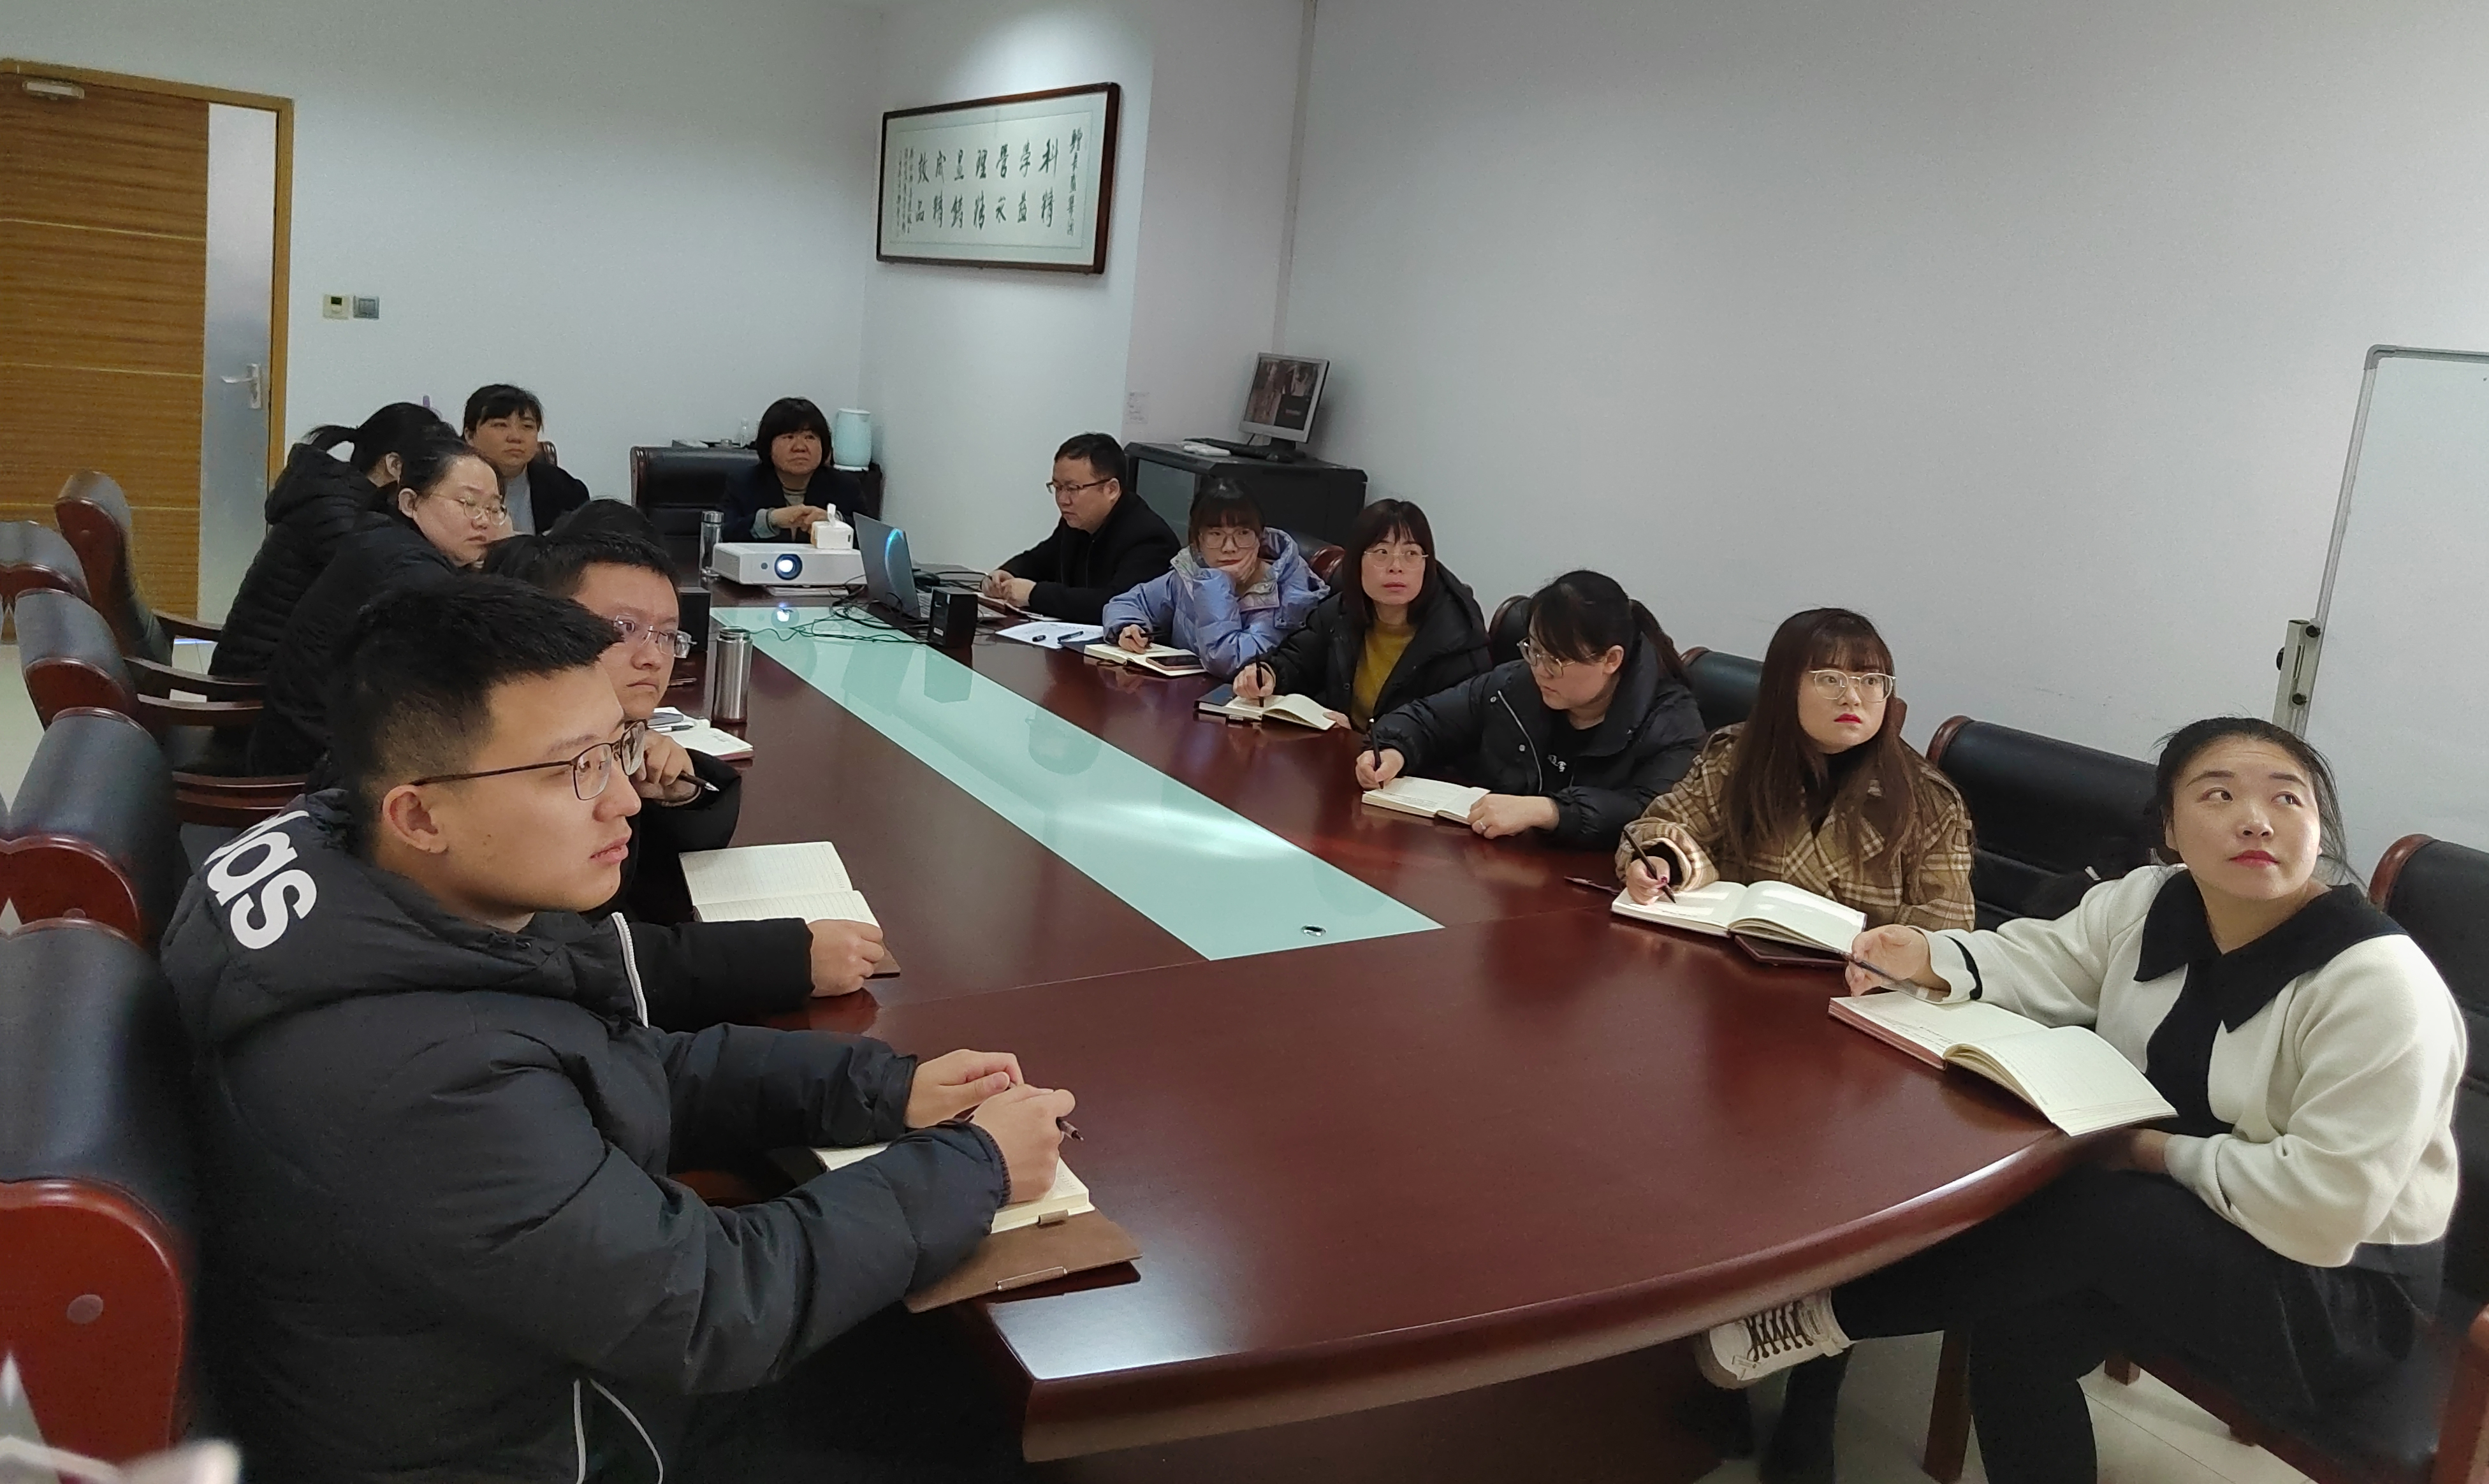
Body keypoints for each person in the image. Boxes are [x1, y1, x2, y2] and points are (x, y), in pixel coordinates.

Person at [166, 578, 1074, 1483]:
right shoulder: (422, 1080)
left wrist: (882, 1088)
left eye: (616, 750)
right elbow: (713, 1309)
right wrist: (979, 1166)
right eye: (574, 770)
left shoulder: (375, 879)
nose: (623, 802)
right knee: (997, 1421)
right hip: (538, 1442)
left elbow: (626, 1065)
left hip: (537, 1357)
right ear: (420, 814)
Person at [1696, 717, 2465, 1484]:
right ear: (2169, 828)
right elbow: (2045, 961)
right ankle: (1818, 1313)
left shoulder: (2378, 986)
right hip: (2182, 1229)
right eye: (2218, 795)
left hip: (2338, 1297)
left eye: (2287, 799)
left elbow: (2324, 1206)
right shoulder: (2151, 901)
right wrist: (1928, 955)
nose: (2255, 820)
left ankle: (1826, 1314)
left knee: (2093, 1206)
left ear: (2318, 828)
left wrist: (2151, 1153)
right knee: (2016, 1326)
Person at [488, 513, 886, 1022]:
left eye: (667, 636)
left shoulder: (621, 736)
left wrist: (679, 794)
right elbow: (562, 956)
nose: (653, 657)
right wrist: (786, 959)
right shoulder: (515, 762)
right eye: (624, 629)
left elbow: (643, 875)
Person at [1617, 607, 1974, 930]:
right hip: (1732, 957)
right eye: (1830, 679)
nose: (1852, 698)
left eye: (1870, 681)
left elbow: (1945, 933)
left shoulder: (1927, 801)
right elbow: (1669, 826)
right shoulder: (1736, 758)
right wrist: (1662, 861)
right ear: (1784, 687)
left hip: (1854, 976)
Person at [1358, 571, 1704, 847]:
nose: (1540, 669)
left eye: (1557, 660)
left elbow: (1653, 814)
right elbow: (1429, 719)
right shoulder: (1515, 685)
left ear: (1611, 660)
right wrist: (1393, 751)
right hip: (1502, 868)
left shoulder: (1670, 721)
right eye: (1535, 650)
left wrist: (1550, 811)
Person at [249, 430, 503, 775]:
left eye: (494, 508)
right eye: (468, 503)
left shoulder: (385, 536)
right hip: (313, 763)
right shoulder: (410, 570)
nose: (483, 520)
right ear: (410, 503)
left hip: (309, 736)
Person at [214, 402, 452, 679]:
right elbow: (393, 591)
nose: (434, 480)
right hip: (260, 678)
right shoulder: (338, 514)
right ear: (394, 466)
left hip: (280, 664)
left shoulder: (344, 499)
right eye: (431, 469)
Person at [1233, 498, 1489, 728]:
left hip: (1399, 764)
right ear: (1356, 563)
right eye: (1382, 553)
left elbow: (1451, 737)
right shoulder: (1341, 611)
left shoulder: (1457, 640)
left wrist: (1363, 737)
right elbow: (1298, 660)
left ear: (1427, 564)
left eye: (1411, 554)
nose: (1396, 567)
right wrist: (1269, 673)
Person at [1099, 481, 1325, 680]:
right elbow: (1128, 603)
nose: (1230, 547)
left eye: (1243, 534)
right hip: (1185, 699)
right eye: (1216, 535)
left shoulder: (1287, 594)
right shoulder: (1191, 573)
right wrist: (1127, 628)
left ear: (1260, 537)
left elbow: (1228, 663)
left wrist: (1218, 583)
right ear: (1198, 541)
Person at [981, 432, 1179, 623]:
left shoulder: (1150, 539)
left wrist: (1034, 594)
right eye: (1057, 487)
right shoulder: (1077, 523)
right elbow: (1039, 561)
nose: (1062, 500)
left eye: (1072, 489)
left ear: (1111, 489)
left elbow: (1115, 605)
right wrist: (1005, 575)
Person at [722, 396, 861, 540]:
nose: (800, 447)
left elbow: (869, 537)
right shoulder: (743, 483)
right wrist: (770, 520)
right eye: (789, 437)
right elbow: (723, 534)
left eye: (810, 437)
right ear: (768, 446)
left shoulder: (845, 486)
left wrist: (834, 521)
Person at [464, 383, 590, 534]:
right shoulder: (448, 488)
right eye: (501, 425)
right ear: (470, 435)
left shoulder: (567, 491)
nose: (515, 437)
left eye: (527, 426)